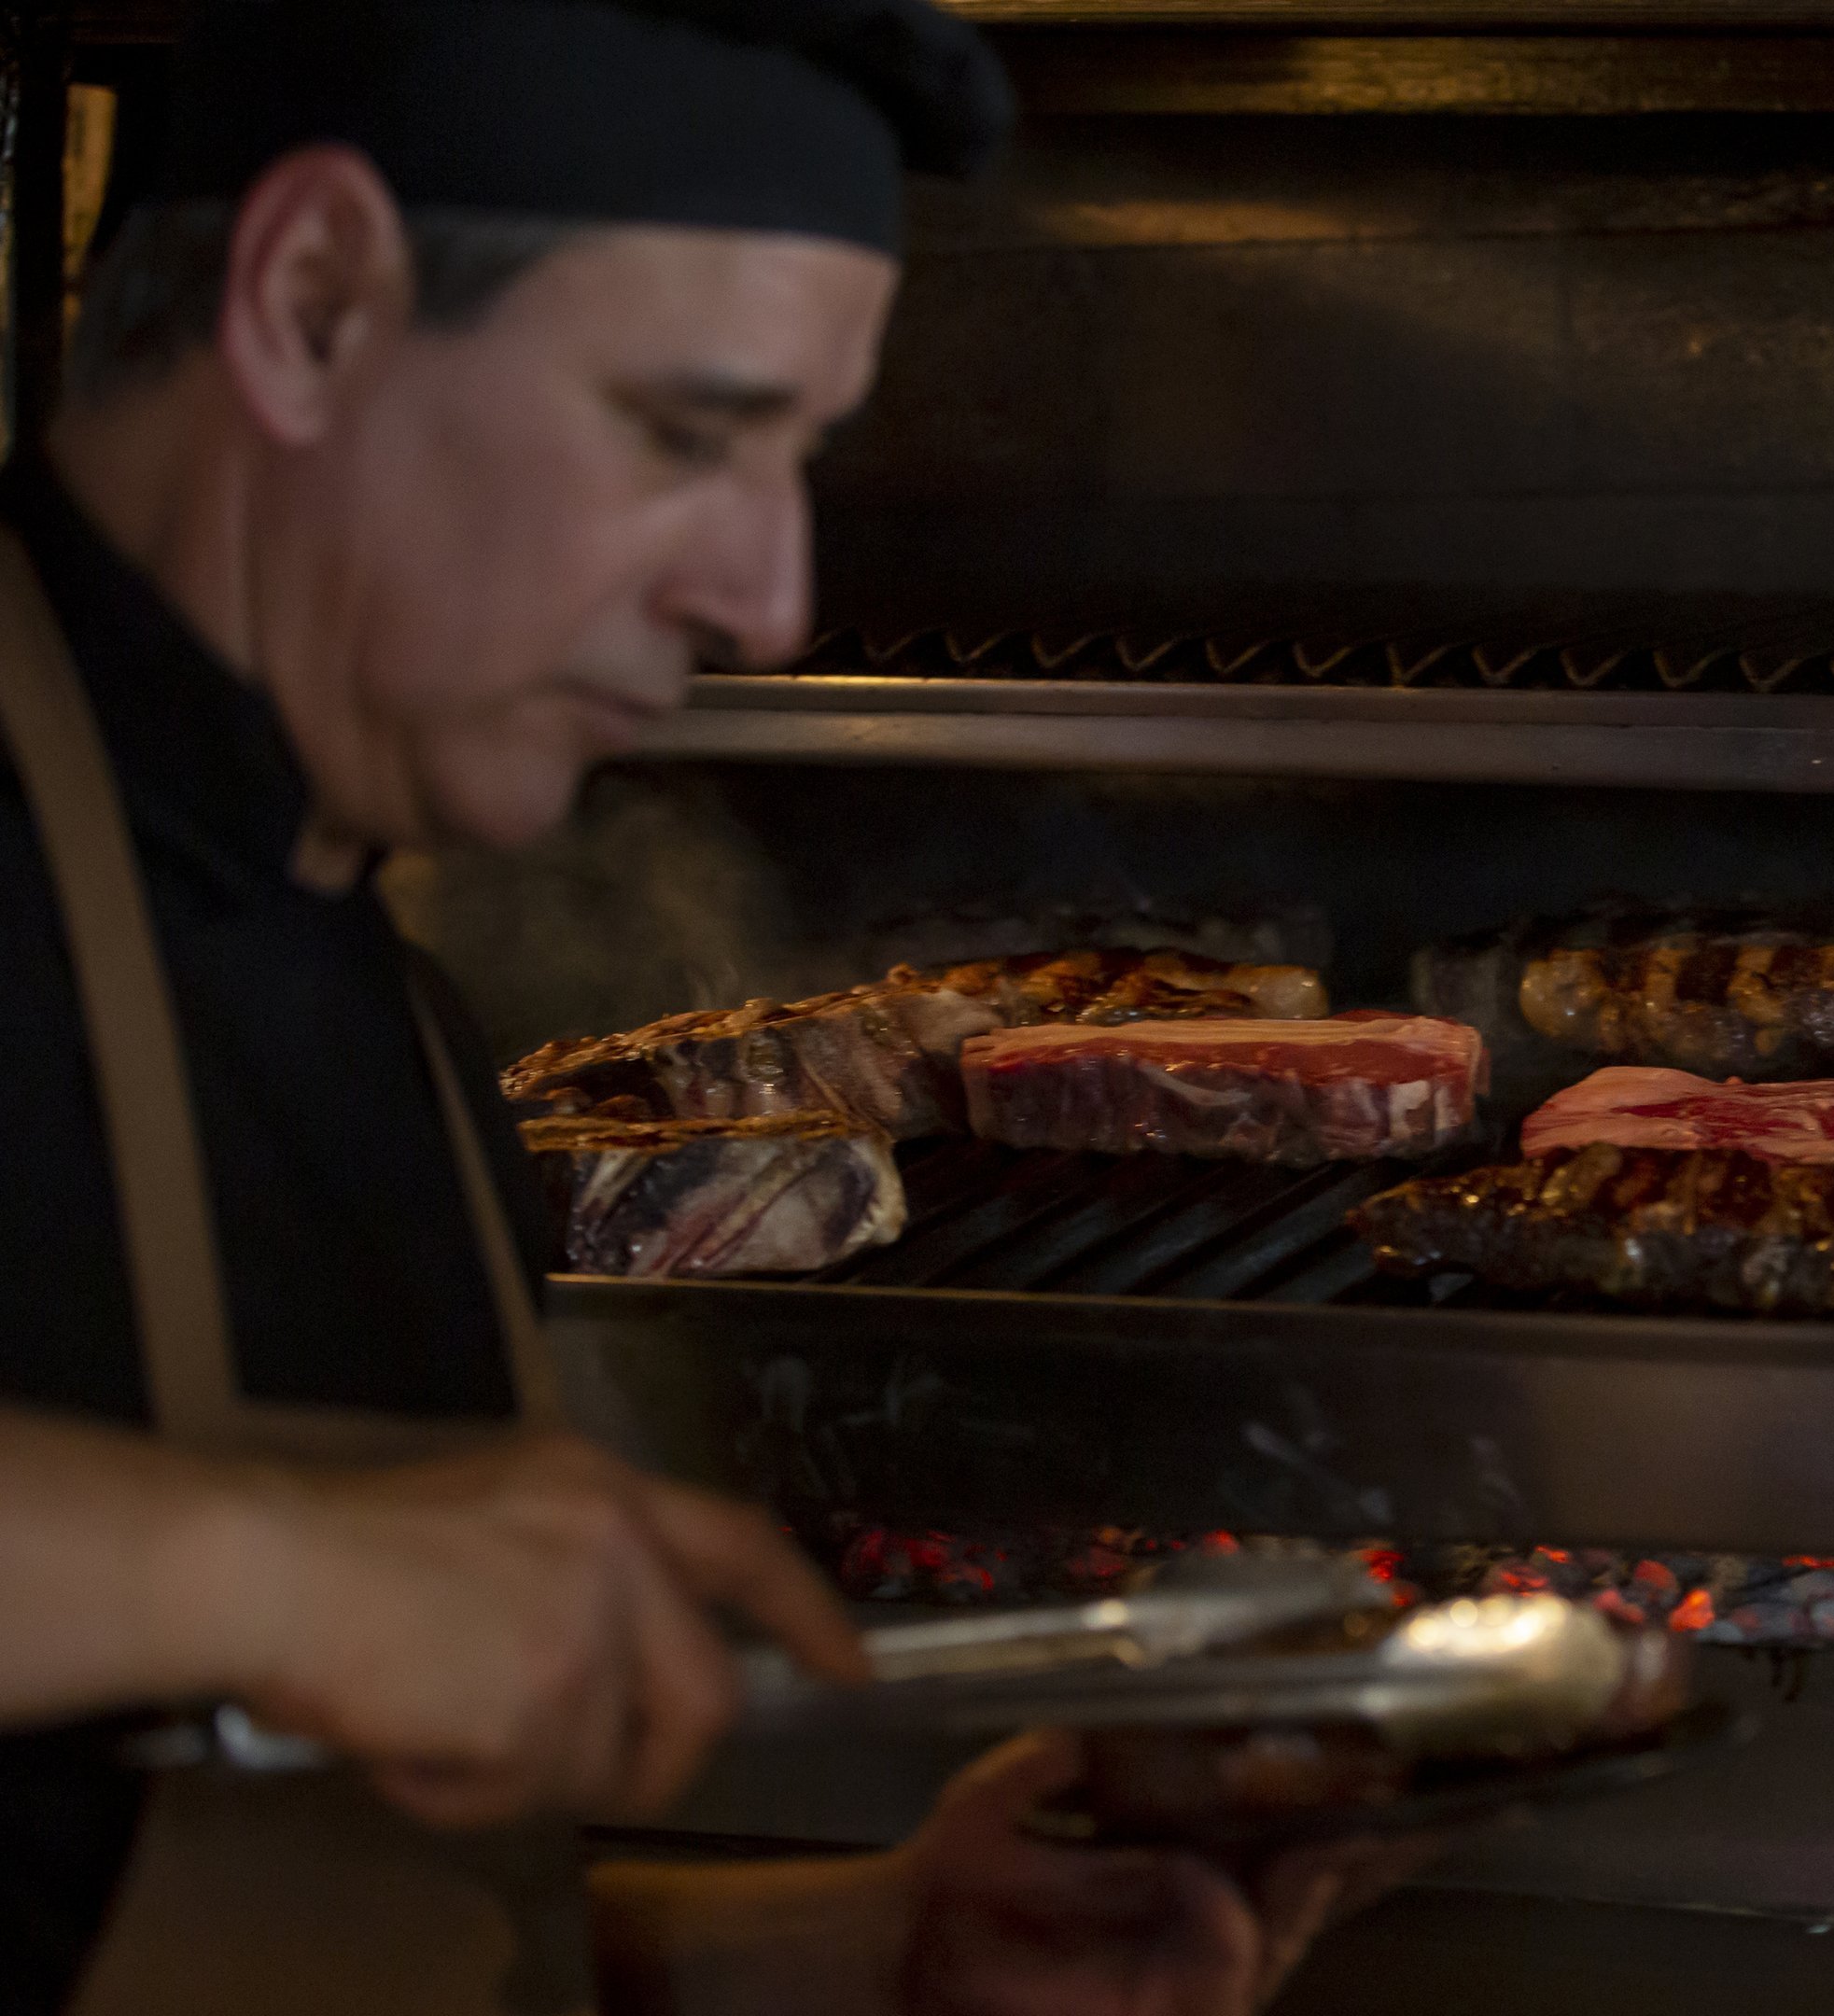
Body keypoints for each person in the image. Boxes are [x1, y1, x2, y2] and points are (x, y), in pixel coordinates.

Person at [0, 2, 1421, 2009]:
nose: (768, 594)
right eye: (687, 430)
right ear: (313, 302)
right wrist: (269, 1569)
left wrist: (863, 1948)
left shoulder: (393, 1030)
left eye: (799, 460)